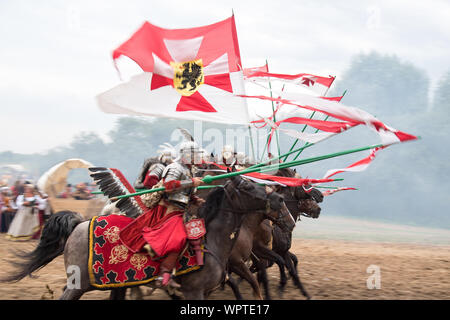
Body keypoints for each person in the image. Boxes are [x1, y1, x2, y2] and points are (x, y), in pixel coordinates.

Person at [119, 140, 205, 288]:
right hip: (167, 211)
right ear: (186, 155)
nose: (197, 157)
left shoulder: (189, 170)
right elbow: (168, 187)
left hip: (181, 209)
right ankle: (163, 275)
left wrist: (195, 199)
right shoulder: (175, 167)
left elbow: (183, 192)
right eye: (194, 154)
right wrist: (191, 183)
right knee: (178, 239)